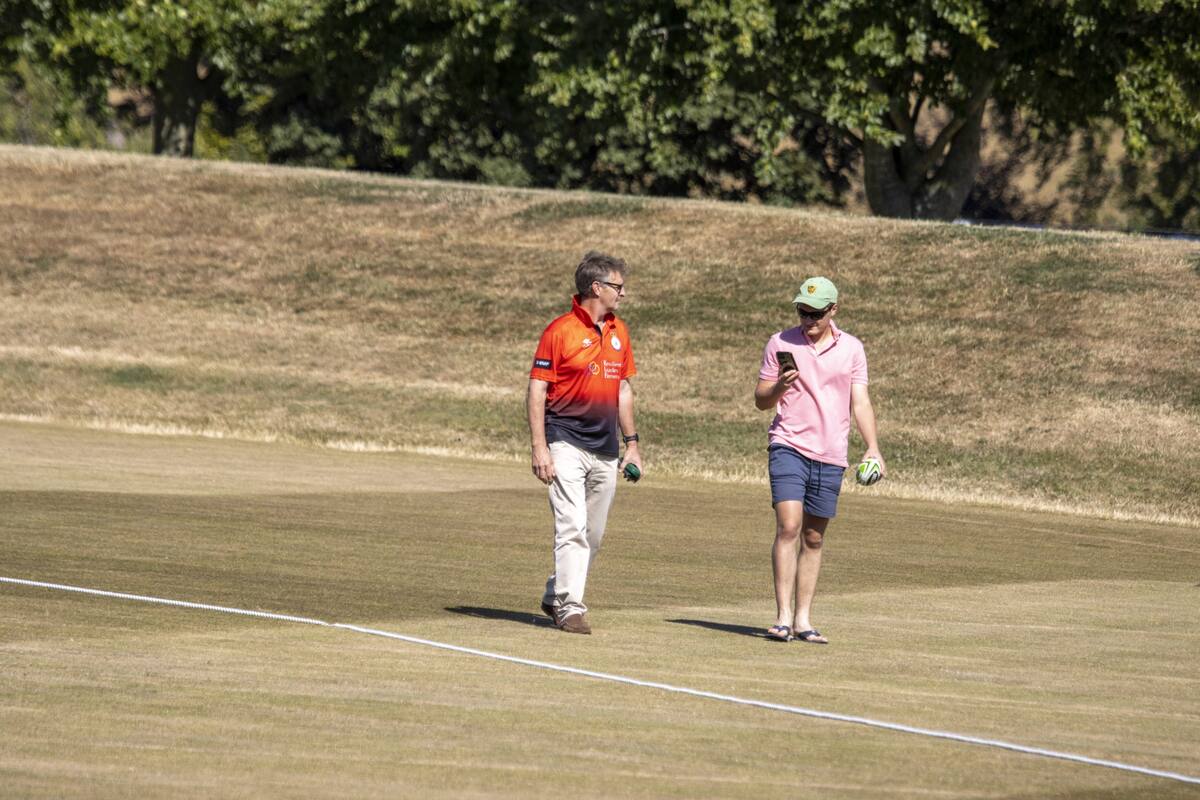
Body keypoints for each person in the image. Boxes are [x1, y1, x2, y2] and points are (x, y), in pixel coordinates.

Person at [754, 276, 885, 644]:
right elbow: (761, 400)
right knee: (789, 526)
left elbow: (860, 402)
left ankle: (803, 620)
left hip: (831, 453)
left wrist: (872, 446)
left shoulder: (853, 349)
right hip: (788, 445)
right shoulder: (780, 342)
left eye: (816, 313)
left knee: (813, 537)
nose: (808, 319)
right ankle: (781, 617)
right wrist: (780, 385)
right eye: (802, 311)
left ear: (834, 310)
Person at [528, 251, 642, 635]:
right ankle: (569, 606)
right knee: (572, 525)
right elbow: (537, 388)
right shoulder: (559, 331)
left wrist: (633, 444)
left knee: (593, 534)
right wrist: (539, 447)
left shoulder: (619, 332)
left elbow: (623, 389)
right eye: (617, 286)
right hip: (565, 440)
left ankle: (553, 592)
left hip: (606, 447)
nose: (622, 294)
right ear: (597, 287)